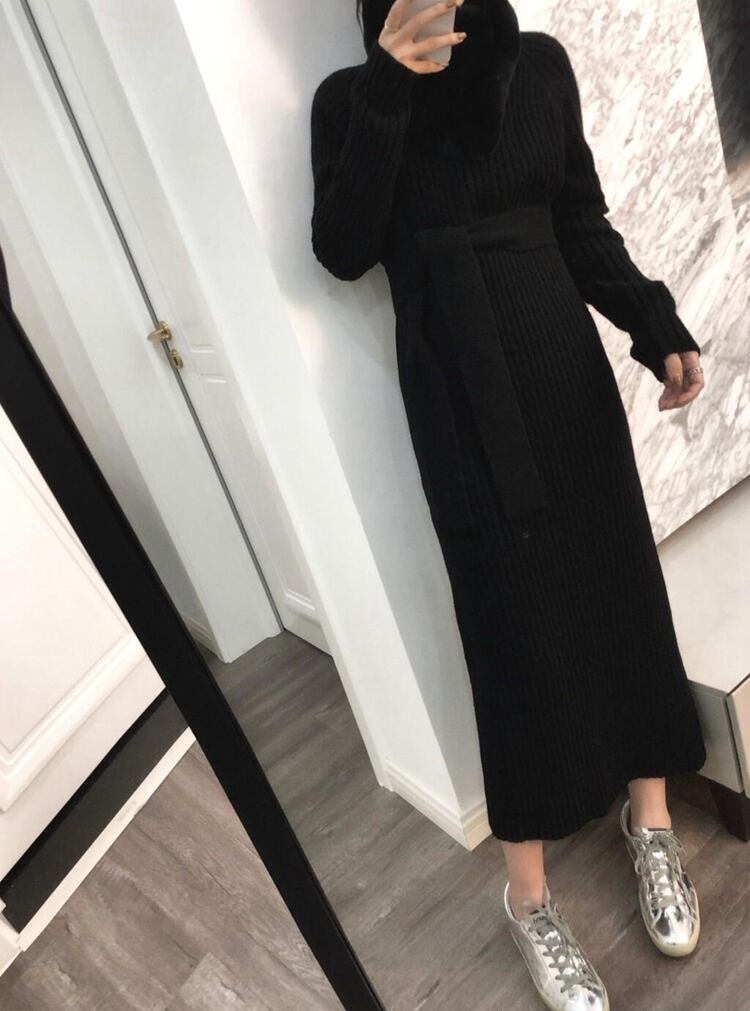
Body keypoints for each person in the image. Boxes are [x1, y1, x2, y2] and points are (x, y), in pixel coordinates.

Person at [309, 2, 707, 1007]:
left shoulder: (538, 67)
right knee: (509, 628)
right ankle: (528, 899)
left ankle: (652, 821)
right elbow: (343, 249)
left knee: (621, 590)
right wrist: (389, 86)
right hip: (460, 397)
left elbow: (580, 220)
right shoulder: (348, 101)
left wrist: (654, 323)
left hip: (562, 370)